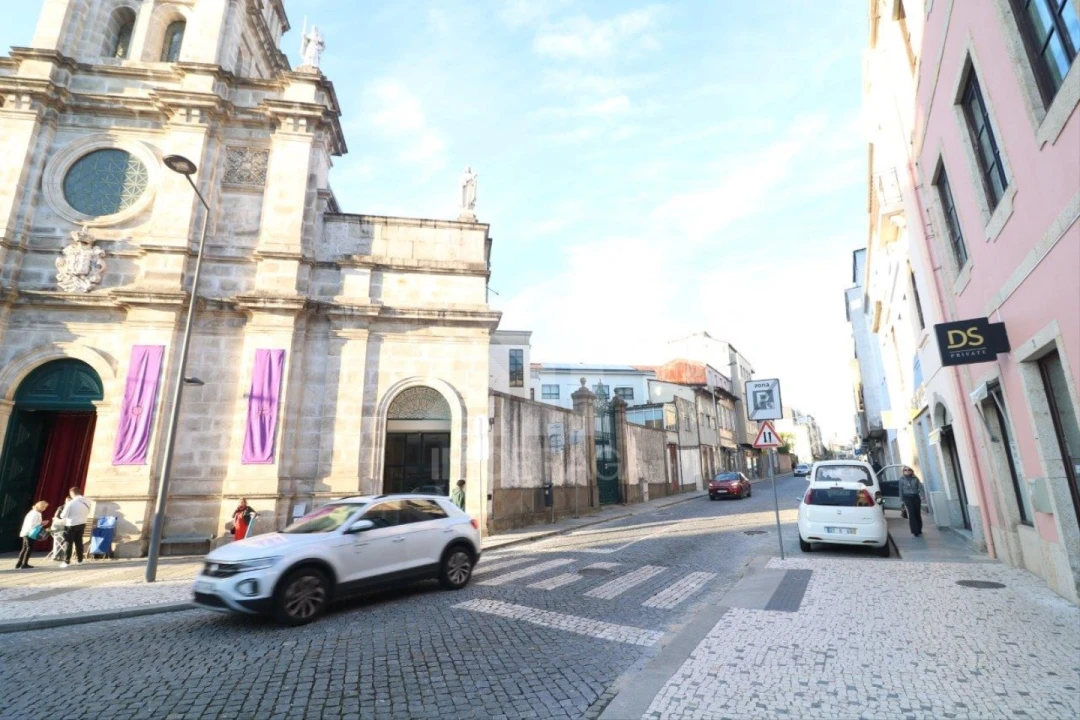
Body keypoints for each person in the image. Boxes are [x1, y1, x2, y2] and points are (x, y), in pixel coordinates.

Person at [59, 487, 91, 567]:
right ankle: (80, 560)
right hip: (82, 523)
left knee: (68, 543)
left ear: (71, 493)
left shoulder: (71, 503)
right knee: (79, 542)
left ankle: (66, 561)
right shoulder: (87, 501)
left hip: (71, 524)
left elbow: (63, 516)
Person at [16, 501, 49, 569]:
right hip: (30, 532)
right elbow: (33, 524)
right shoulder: (36, 514)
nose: (45, 509)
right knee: (29, 548)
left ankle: (19, 563)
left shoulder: (31, 512)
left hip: (25, 532)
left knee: (24, 548)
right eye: (44, 507)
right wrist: (42, 523)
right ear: (41, 507)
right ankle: (24, 563)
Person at [899, 466, 923, 537]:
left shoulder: (915, 478)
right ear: (903, 471)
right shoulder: (901, 479)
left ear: (912, 471)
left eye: (909, 470)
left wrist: (922, 495)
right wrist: (901, 500)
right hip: (907, 497)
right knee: (911, 513)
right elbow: (900, 490)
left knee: (917, 513)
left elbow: (920, 487)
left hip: (916, 497)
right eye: (905, 470)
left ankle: (919, 529)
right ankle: (915, 530)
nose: (907, 471)